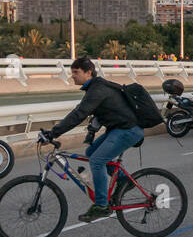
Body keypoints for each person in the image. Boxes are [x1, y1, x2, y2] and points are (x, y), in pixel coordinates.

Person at [39, 57, 144, 222]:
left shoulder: (97, 89)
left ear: (88, 72)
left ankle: (101, 206)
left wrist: (53, 133)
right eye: (72, 72)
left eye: (76, 72)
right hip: (119, 129)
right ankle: (124, 181)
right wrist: (54, 131)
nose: (72, 76)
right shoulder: (95, 88)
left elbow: (79, 114)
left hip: (127, 131)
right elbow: (80, 111)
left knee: (96, 161)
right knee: (91, 152)